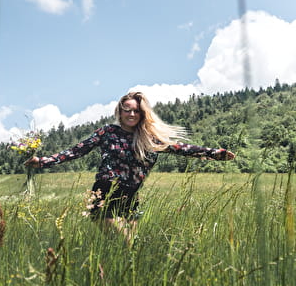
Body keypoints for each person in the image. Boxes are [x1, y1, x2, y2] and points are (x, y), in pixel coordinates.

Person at [25, 91, 235, 239]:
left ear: (142, 114)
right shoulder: (108, 132)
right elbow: (76, 150)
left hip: (131, 196)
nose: (132, 114)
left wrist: (214, 154)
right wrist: (43, 161)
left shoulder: (149, 138)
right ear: (120, 111)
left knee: (124, 250)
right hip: (104, 192)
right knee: (125, 243)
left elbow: (181, 148)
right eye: (127, 110)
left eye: (136, 111)